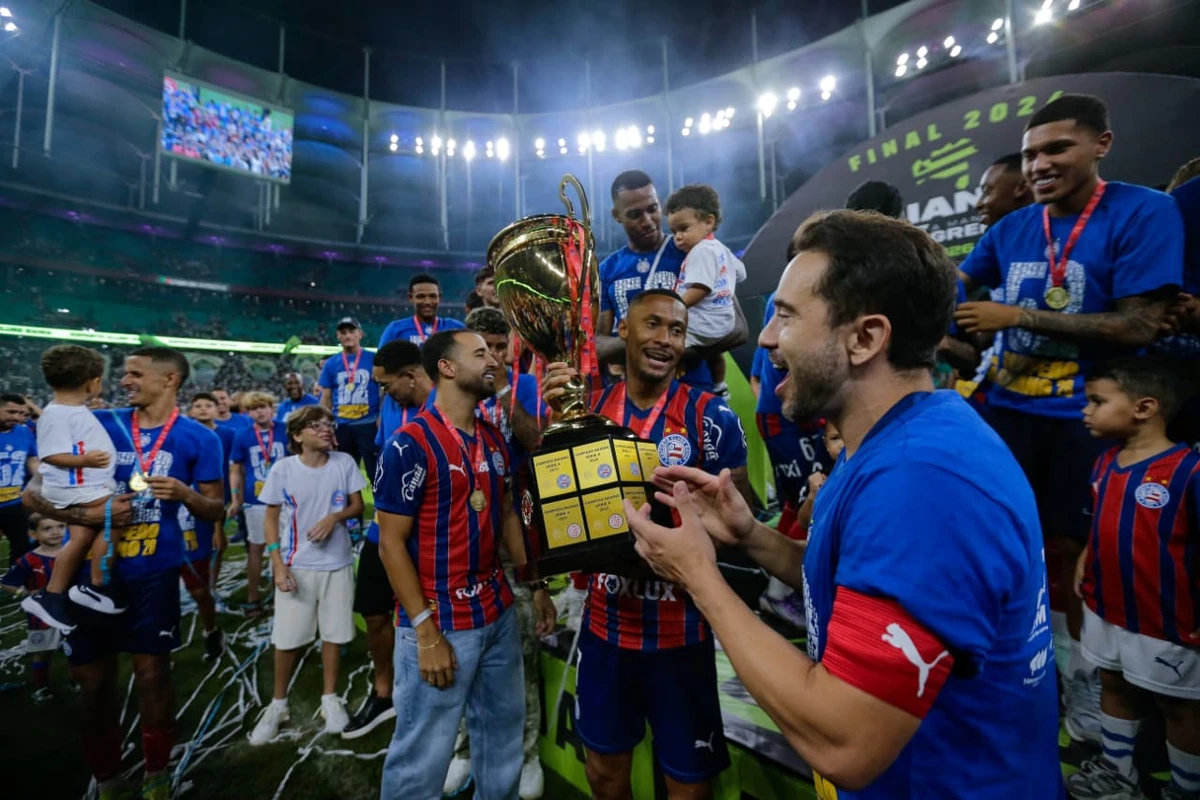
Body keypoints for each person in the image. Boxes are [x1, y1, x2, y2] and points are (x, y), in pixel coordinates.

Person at [630, 210, 1063, 798]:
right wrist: (751, 536)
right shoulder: (906, 436)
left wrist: (698, 577)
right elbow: (851, 580)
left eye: (785, 316)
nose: (764, 338)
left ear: (865, 338)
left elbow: (844, 742)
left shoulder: (922, 481)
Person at [955, 93, 1185, 743]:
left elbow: (1140, 323)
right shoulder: (1011, 229)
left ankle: (1089, 685)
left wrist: (1019, 316)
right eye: (1030, 154)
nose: (1040, 165)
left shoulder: (1146, 211)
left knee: (1083, 560)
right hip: (1007, 409)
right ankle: (1028, 671)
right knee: (1007, 547)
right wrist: (954, 331)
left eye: (1057, 149)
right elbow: (961, 293)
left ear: (1101, 145)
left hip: (1092, 419)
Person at [541, 289, 751, 800]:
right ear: (626, 334)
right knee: (604, 774)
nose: (664, 340)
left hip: (682, 635)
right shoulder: (584, 410)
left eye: (676, 330)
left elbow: (737, 529)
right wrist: (548, 419)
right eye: (652, 325)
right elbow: (552, 501)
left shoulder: (711, 417)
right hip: (607, 628)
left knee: (688, 786)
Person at [22, 345, 224, 800]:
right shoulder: (94, 421)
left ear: (169, 380)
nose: (124, 380)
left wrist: (187, 495)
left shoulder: (200, 438)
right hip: (88, 579)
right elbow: (33, 497)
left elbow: (216, 509)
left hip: (153, 573)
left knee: (153, 674)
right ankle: (108, 775)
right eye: (124, 373)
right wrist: (92, 518)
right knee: (91, 684)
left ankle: (156, 773)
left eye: (135, 373)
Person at [375, 329, 549, 800]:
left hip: (497, 612)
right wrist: (426, 632)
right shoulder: (407, 445)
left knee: (502, 742)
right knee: (420, 759)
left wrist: (536, 584)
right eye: (481, 353)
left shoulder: (493, 436)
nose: (493, 359)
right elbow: (390, 545)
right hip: (441, 623)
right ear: (447, 368)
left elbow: (509, 512)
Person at [1063, 357, 1200, 800]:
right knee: (1112, 684)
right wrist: (1086, 555)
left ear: (1144, 408)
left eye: (1098, 401)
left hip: (1167, 619)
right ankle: (1118, 773)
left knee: (1178, 705)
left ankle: (1185, 788)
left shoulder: (1188, 471)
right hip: (1108, 606)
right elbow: (1101, 523)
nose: (1086, 410)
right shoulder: (1104, 462)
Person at [444, 307, 554, 798]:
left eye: (498, 346)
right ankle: (464, 748)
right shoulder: (446, 395)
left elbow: (535, 443)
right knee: (459, 653)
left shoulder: (525, 388)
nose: (490, 356)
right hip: (458, 542)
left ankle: (525, 752)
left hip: (514, 529)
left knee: (521, 651)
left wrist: (506, 388)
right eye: (480, 347)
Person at [248, 405, 365, 744]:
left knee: (334, 633)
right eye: (316, 425)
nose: (326, 429)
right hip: (296, 564)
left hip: (338, 563)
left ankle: (329, 698)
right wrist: (277, 563)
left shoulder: (343, 462)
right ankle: (278, 704)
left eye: (329, 424)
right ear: (298, 436)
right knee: (286, 639)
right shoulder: (284, 469)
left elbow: (357, 506)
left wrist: (335, 518)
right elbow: (270, 518)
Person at [342, 339, 433, 740]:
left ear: (411, 375)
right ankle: (384, 693)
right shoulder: (393, 406)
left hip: (428, 533)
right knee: (374, 610)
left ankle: (429, 699)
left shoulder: (447, 408)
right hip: (385, 527)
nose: (382, 392)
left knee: (428, 617)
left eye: (385, 384)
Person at [596, 170, 747, 391]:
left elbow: (738, 329)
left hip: (693, 390)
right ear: (617, 215)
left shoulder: (696, 250)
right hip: (633, 396)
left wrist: (663, 350)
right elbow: (598, 345)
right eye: (634, 214)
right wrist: (647, 342)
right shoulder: (607, 269)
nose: (647, 221)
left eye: (653, 209)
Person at [21, 345, 121, 633]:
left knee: (79, 540)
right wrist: (86, 459)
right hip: (80, 489)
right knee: (119, 514)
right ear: (92, 382)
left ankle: (52, 595)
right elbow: (52, 454)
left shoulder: (70, 410)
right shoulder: (57, 414)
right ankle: (97, 584)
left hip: (81, 486)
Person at [664, 184, 747, 398]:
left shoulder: (700, 251)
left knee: (668, 342)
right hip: (724, 321)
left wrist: (674, 306)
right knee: (715, 354)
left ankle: (667, 383)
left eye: (683, 229)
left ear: (709, 222)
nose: (678, 237)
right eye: (674, 232)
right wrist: (725, 287)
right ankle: (719, 386)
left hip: (705, 323)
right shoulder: (720, 248)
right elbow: (741, 273)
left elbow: (700, 289)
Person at [229, 391, 289, 620]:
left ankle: (280, 594)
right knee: (256, 548)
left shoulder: (285, 429)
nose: (260, 411)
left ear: (271, 407)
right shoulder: (242, 435)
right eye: (254, 408)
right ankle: (253, 597)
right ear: (248, 412)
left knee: (285, 547)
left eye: (263, 406)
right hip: (256, 500)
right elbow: (236, 469)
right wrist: (236, 499)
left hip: (285, 498)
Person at [0, 514, 66, 701]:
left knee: (74, 649)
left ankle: (76, 681)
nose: (55, 532)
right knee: (41, 652)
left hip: (69, 612)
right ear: (33, 534)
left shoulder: (74, 552)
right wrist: (27, 594)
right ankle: (42, 688)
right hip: (41, 616)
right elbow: (8, 583)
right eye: (47, 528)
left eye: (60, 526)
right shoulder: (29, 560)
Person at [319, 316, 380, 483]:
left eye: (351, 331)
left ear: (360, 334)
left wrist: (382, 416)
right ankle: (348, 508)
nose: (347, 336)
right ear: (338, 336)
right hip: (342, 426)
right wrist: (325, 426)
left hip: (369, 424)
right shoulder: (331, 363)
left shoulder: (374, 359)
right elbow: (325, 397)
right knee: (342, 475)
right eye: (343, 332)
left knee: (375, 472)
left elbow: (384, 390)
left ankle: (381, 509)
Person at [188, 392, 237, 579]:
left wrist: (234, 496)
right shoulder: (187, 433)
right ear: (191, 411)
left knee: (217, 542)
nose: (203, 409)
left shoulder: (228, 434)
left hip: (220, 494)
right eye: (198, 406)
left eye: (208, 406)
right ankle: (196, 582)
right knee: (193, 542)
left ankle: (212, 583)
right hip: (191, 494)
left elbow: (234, 466)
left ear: (217, 410)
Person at [0, 392, 38, 568]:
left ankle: (13, 587)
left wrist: (38, 484)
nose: (16, 417)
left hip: (14, 503)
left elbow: (33, 461)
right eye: (10, 412)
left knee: (21, 549)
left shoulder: (24, 433)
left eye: (19, 413)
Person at [377, 274, 466, 347]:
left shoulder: (456, 328)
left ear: (440, 297)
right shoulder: (395, 329)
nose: (427, 302)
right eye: (421, 296)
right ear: (411, 298)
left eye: (432, 296)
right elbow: (379, 366)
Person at [976, 153, 1034, 228]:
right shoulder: (992, 238)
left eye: (987, 192)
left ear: (1021, 188)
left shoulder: (1049, 231)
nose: (978, 204)